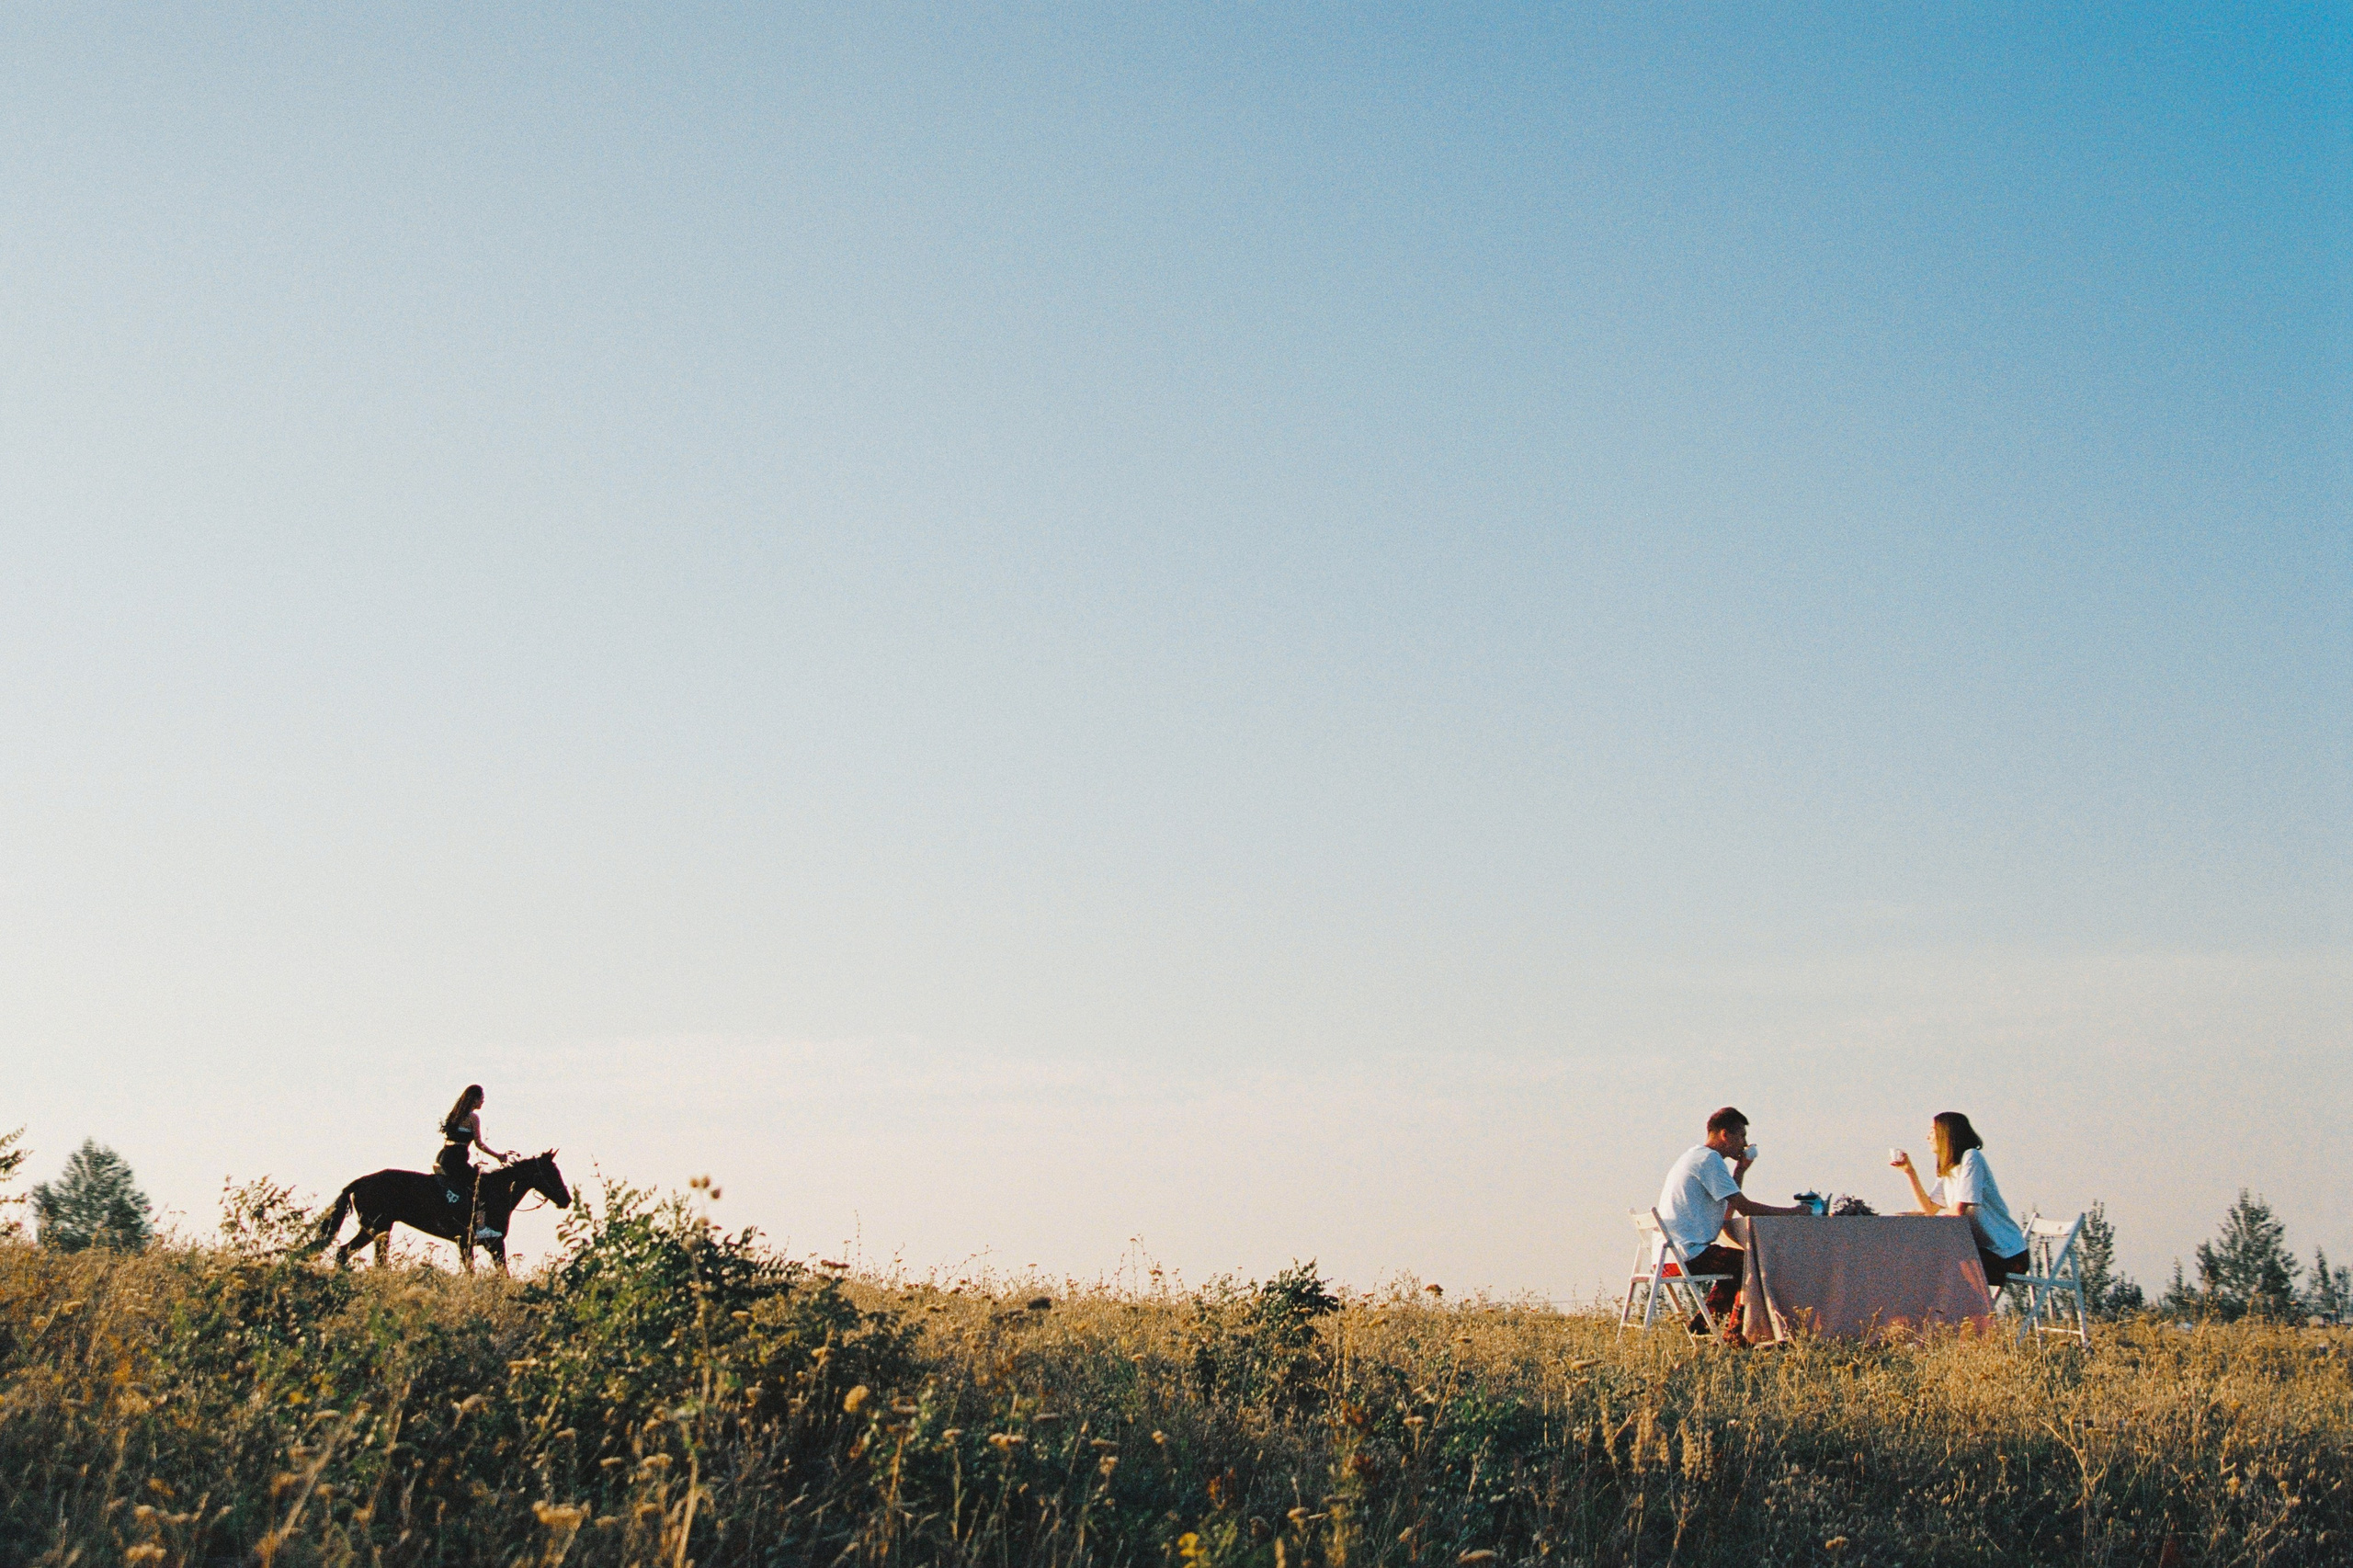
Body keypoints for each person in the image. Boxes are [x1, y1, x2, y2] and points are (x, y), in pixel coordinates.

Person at [1655, 1107, 1813, 1335]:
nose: (1744, 1143)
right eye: (1741, 1136)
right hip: (1687, 1255)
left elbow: (1726, 1214)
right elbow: (1745, 1208)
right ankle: (1734, 1334)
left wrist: (1740, 1171)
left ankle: (1704, 1324)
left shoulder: (1695, 1157)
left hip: (1667, 1258)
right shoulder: (1710, 1160)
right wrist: (1795, 1213)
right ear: (1725, 1135)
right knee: (1751, 1264)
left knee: (1738, 1264)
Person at [1893, 1110, 2029, 1290]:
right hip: (1980, 1253)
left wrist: (1925, 1222)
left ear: (1946, 1133)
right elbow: (1930, 1209)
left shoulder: (1971, 1158)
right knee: (1926, 1259)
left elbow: (1958, 1211)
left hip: (2008, 1257)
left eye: (1932, 1131)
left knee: (1937, 1260)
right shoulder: (1950, 1168)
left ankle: (1972, 1308)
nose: (1928, 1137)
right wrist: (1909, 1172)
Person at [437, 1085, 520, 1243]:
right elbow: (479, 1144)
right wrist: (498, 1156)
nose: (483, 1101)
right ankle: (481, 1228)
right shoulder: (473, 1118)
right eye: (481, 1098)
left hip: (445, 1157)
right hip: (457, 1160)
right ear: (474, 1099)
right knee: (480, 1186)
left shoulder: (455, 1114)